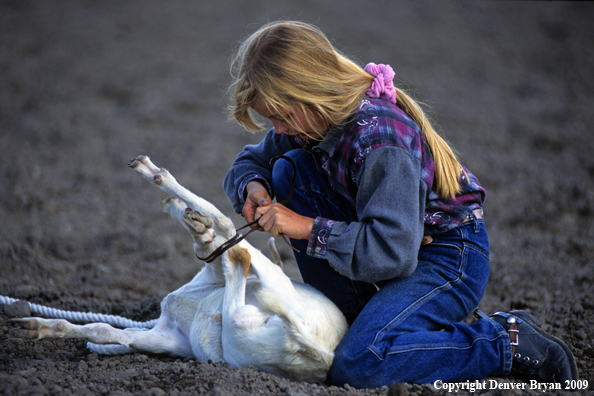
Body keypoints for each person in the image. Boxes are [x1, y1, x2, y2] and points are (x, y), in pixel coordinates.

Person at [222, 21, 578, 388]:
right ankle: (374, 322)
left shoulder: (379, 140)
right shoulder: (314, 121)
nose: (278, 129)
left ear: (312, 91)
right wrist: (253, 186)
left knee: (358, 363)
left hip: (448, 256)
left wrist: (306, 227)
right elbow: (250, 161)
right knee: (287, 169)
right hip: (398, 244)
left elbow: (394, 251)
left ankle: (504, 340)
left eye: (282, 116)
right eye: (272, 119)